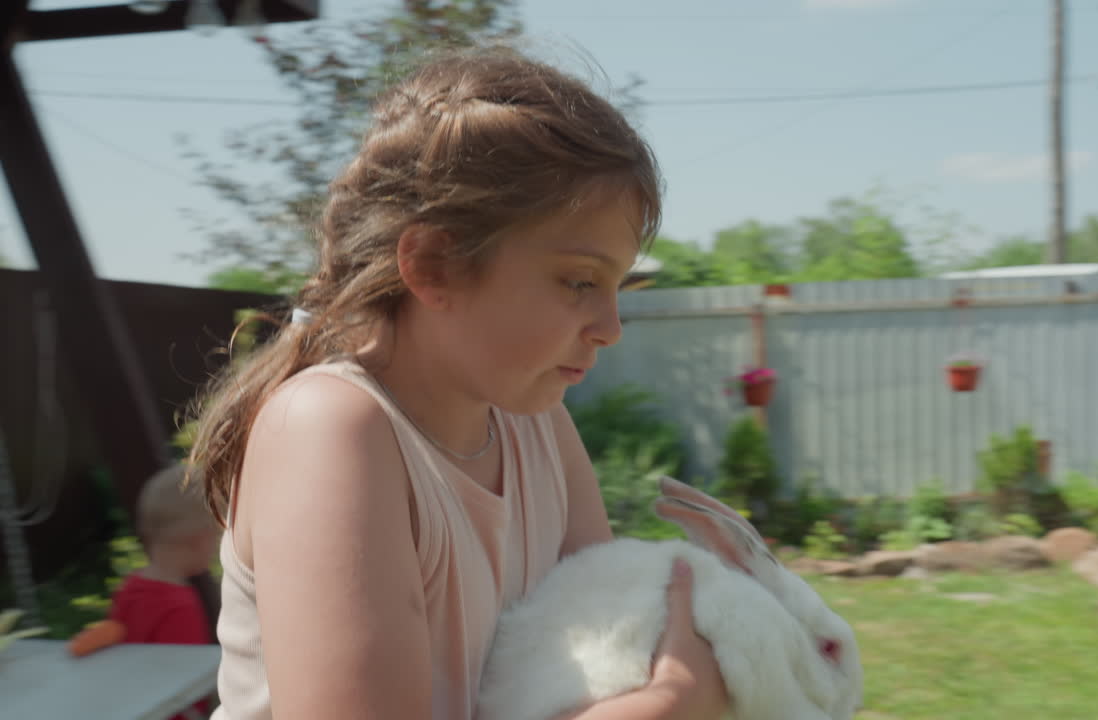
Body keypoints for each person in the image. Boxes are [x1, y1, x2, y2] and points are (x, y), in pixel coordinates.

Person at [186, 43, 728, 720]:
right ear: (436, 265)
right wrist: (676, 700)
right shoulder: (330, 429)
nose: (611, 326)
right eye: (580, 282)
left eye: (617, 286)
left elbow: (609, 665)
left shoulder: (540, 426)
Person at [108, 462, 221, 720]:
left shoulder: (130, 588)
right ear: (199, 537)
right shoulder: (180, 605)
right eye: (215, 536)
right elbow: (187, 690)